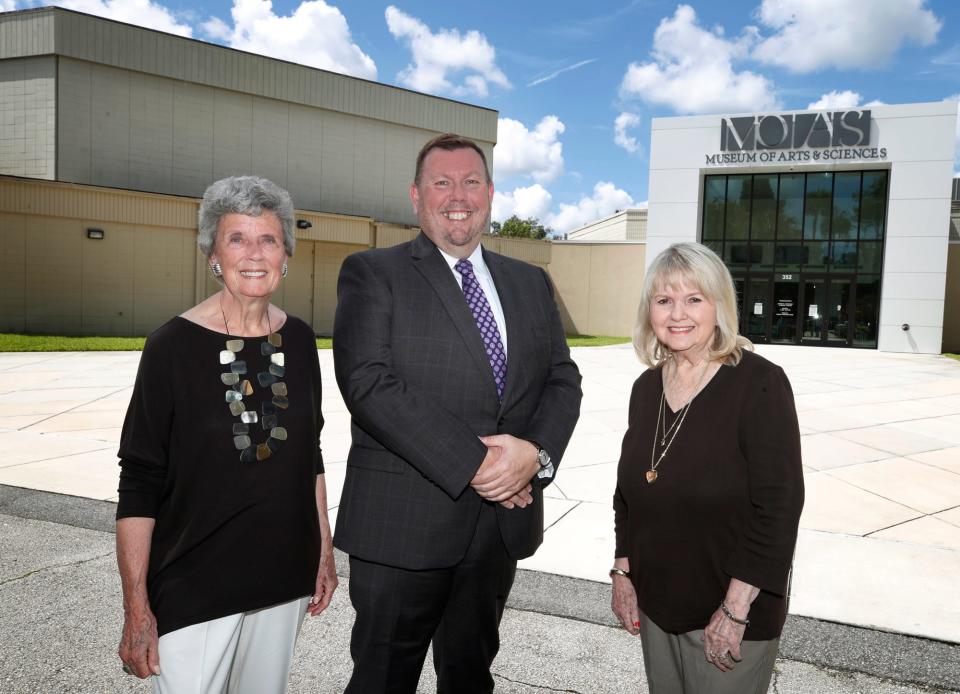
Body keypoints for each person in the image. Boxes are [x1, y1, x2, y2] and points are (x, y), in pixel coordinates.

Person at [332, 133, 583, 693]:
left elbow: (562, 379)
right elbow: (368, 384)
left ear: (490, 193)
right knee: (381, 681)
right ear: (415, 196)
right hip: (402, 532)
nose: (457, 195)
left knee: (471, 680)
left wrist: (534, 455)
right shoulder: (373, 273)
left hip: (495, 534)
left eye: (471, 181)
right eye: (441, 182)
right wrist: (481, 465)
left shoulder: (530, 283)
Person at [115, 176, 337, 694]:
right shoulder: (170, 347)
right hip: (196, 582)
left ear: (286, 255)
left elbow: (311, 455)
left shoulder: (301, 340)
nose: (254, 253)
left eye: (268, 239)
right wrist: (136, 605)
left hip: (283, 575)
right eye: (237, 238)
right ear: (213, 255)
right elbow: (140, 479)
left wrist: (324, 551)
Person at [610, 242, 804, 694]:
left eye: (694, 298)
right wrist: (623, 573)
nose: (678, 313)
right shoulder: (645, 388)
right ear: (649, 312)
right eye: (664, 300)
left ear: (719, 306)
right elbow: (628, 494)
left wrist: (735, 609)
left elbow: (778, 509)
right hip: (656, 607)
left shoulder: (759, 383)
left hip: (730, 613)